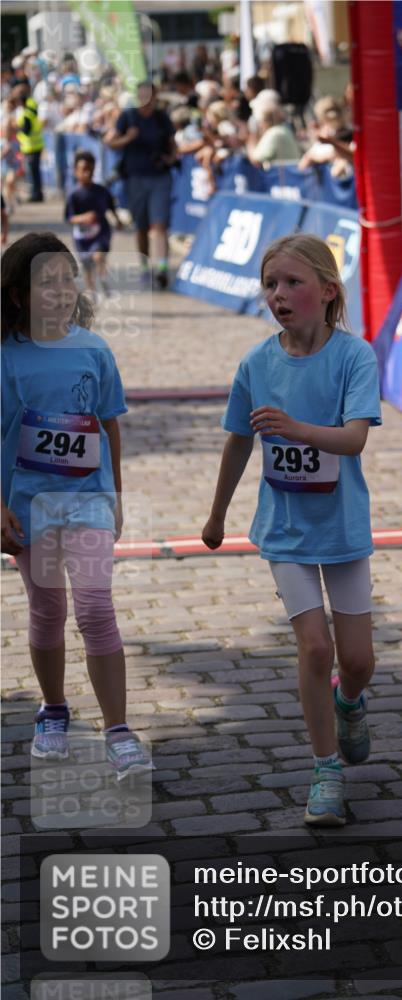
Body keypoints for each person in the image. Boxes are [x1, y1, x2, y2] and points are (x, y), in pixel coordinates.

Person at [201, 234, 381, 826]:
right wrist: (218, 513)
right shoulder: (256, 362)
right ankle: (325, 768)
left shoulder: (354, 357)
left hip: (343, 526)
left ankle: (348, 700)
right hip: (284, 530)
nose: (279, 295)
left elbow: (353, 439)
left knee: (357, 659)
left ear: (328, 292)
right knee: (316, 646)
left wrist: (297, 428)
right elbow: (238, 439)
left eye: (293, 283)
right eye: (271, 285)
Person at [0, 233, 153, 780]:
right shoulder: (5, 356)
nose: (62, 291)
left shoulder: (93, 348)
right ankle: (54, 710)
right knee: (48, 610)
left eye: (68, 278)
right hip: (29, 508)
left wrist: (115, 495)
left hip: (88, 502)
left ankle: (118, 730)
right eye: (47, 282)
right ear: (18, 295)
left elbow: (109, 423)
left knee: (94, 607)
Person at [104, 81, 176, 290]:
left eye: (149, 96)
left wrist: (171, 158)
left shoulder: (162, 118)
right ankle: (145, 267)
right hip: (134, 178)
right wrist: (127, 137)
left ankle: (162, 268)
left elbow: (173, 146)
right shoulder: (128, 117)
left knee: (160, 224)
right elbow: (110, 142)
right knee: (141, 226)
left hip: (160, 177)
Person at [65, 150, 123, 298]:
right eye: (84, 170)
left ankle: (103, 279)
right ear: (76, 171)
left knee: (98, 256)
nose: (87, 173)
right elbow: (69, 218)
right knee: (87, 265)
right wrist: (83, 218)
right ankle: (91, 291)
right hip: (82, 236)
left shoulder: (102, 191)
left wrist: (117, 220)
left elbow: (111, 208)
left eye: (90, 170)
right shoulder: (74, 195)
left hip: (101, 232)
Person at [12, 82, 44, 203]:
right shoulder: (30, 111)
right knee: (35, 172)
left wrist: (16, 128)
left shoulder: (27, 114)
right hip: (33, 146)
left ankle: (36, 194)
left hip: (31, 147)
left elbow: (26, 130)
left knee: (33, 172)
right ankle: (37, 193)